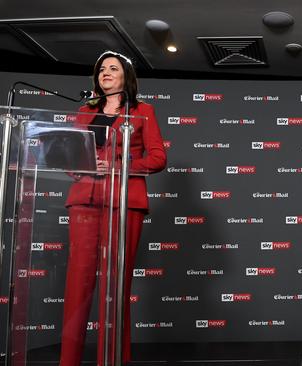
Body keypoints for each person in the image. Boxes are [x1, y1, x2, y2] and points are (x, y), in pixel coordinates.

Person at [60, 51, 167, 365]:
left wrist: (120, 165)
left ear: (126, 77)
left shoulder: (143, 111)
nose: (105, 72)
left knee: (115, 288)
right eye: (101, 69)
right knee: (77, 287)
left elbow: (158, 157)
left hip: (123, 204)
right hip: (84, 202)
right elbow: (69, 155)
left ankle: (114, 360)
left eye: (112, 68)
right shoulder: (83, 111)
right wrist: (76, 167)